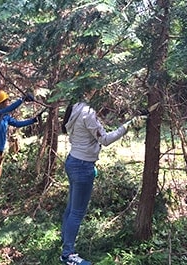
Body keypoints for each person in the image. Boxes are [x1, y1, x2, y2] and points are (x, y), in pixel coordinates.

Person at [60, 100, 146, 265]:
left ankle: (66, 240)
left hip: (73, 161)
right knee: (77, 212)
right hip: (83, 166)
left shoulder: (74, 108)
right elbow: (105, 140)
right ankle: (68, 254)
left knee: (71, 208)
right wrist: (128, 125)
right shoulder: (88, 112)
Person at [0, 88, 39, 215]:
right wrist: (22, 100)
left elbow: (17, 124)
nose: (7, 103)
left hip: (0, 151)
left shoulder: (5, 117)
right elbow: (8, 109)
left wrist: (33, 120)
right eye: (5, 101)